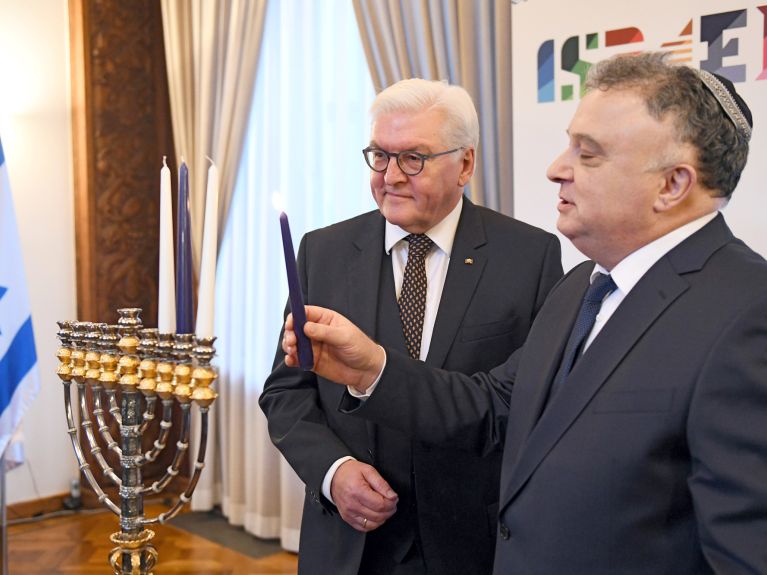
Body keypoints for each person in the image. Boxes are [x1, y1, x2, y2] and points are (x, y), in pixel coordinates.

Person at [281, 53, 767, 574]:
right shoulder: (585, 286)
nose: (557, 168)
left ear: (672, 184)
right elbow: (495, 407)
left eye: (588, 153)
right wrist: (369, 369)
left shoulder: (747, 314)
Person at [259, 78, 563, 575]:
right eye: (380, 155)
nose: (391, 176)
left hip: (471, 545)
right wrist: (334, 473)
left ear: (465, 163)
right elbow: (286, 392)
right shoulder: (324, 251)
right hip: (350, 545)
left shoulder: (529, 257)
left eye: (413, 158)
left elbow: (530, 407)